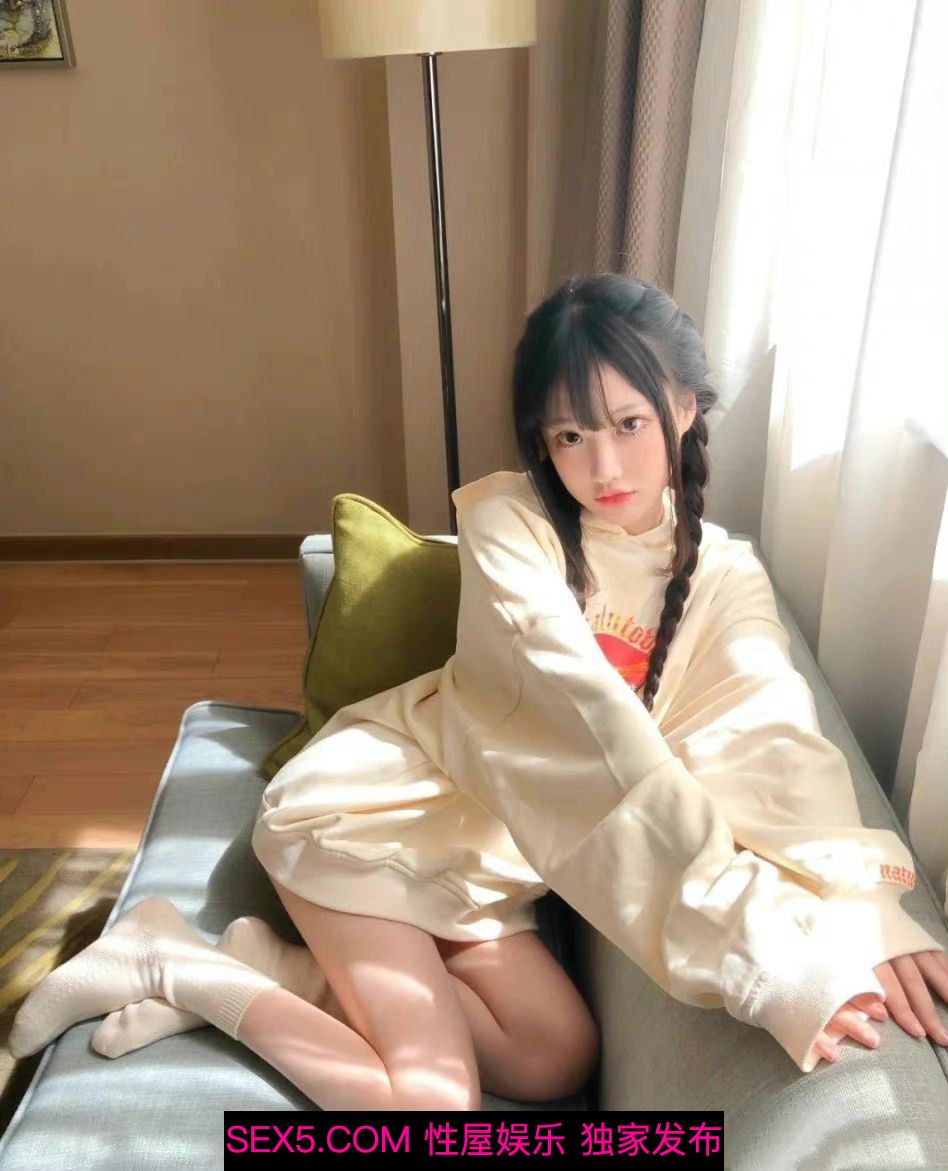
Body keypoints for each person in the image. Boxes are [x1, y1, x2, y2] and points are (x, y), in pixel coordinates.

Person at [10, 274, 948, 1112]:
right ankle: (171, 960)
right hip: (364, 820)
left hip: (478, 866)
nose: (603, 468)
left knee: (554, 1056)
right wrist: (763, 958)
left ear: (685, 406)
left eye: (628, 424)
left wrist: (863, 903)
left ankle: (273, 967)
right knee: (428, 1102)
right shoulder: (509, 524)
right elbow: (580, 718)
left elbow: (767, 734)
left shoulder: (725, 575)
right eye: (570, 435)